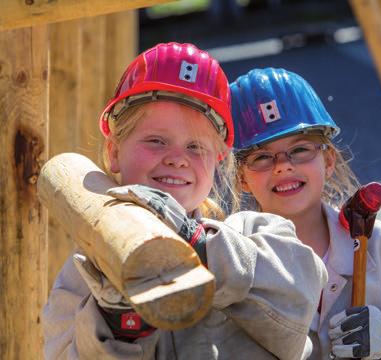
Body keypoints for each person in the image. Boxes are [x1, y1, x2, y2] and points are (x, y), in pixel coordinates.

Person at [42, 44, 328, 359]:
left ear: (218, 160)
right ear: (114, 152)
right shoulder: (85, 277)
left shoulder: (249, 234)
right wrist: (116, 322)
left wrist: (198, 244)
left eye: (195, 146)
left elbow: (300, 295)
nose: (177, 159)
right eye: (156, 141)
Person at [231, 67, 381, 359]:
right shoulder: (233, 263)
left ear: (328, 160)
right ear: (240, 177)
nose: (283, 166)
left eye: (300, 149)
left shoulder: (380, 247)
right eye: (261, 156)